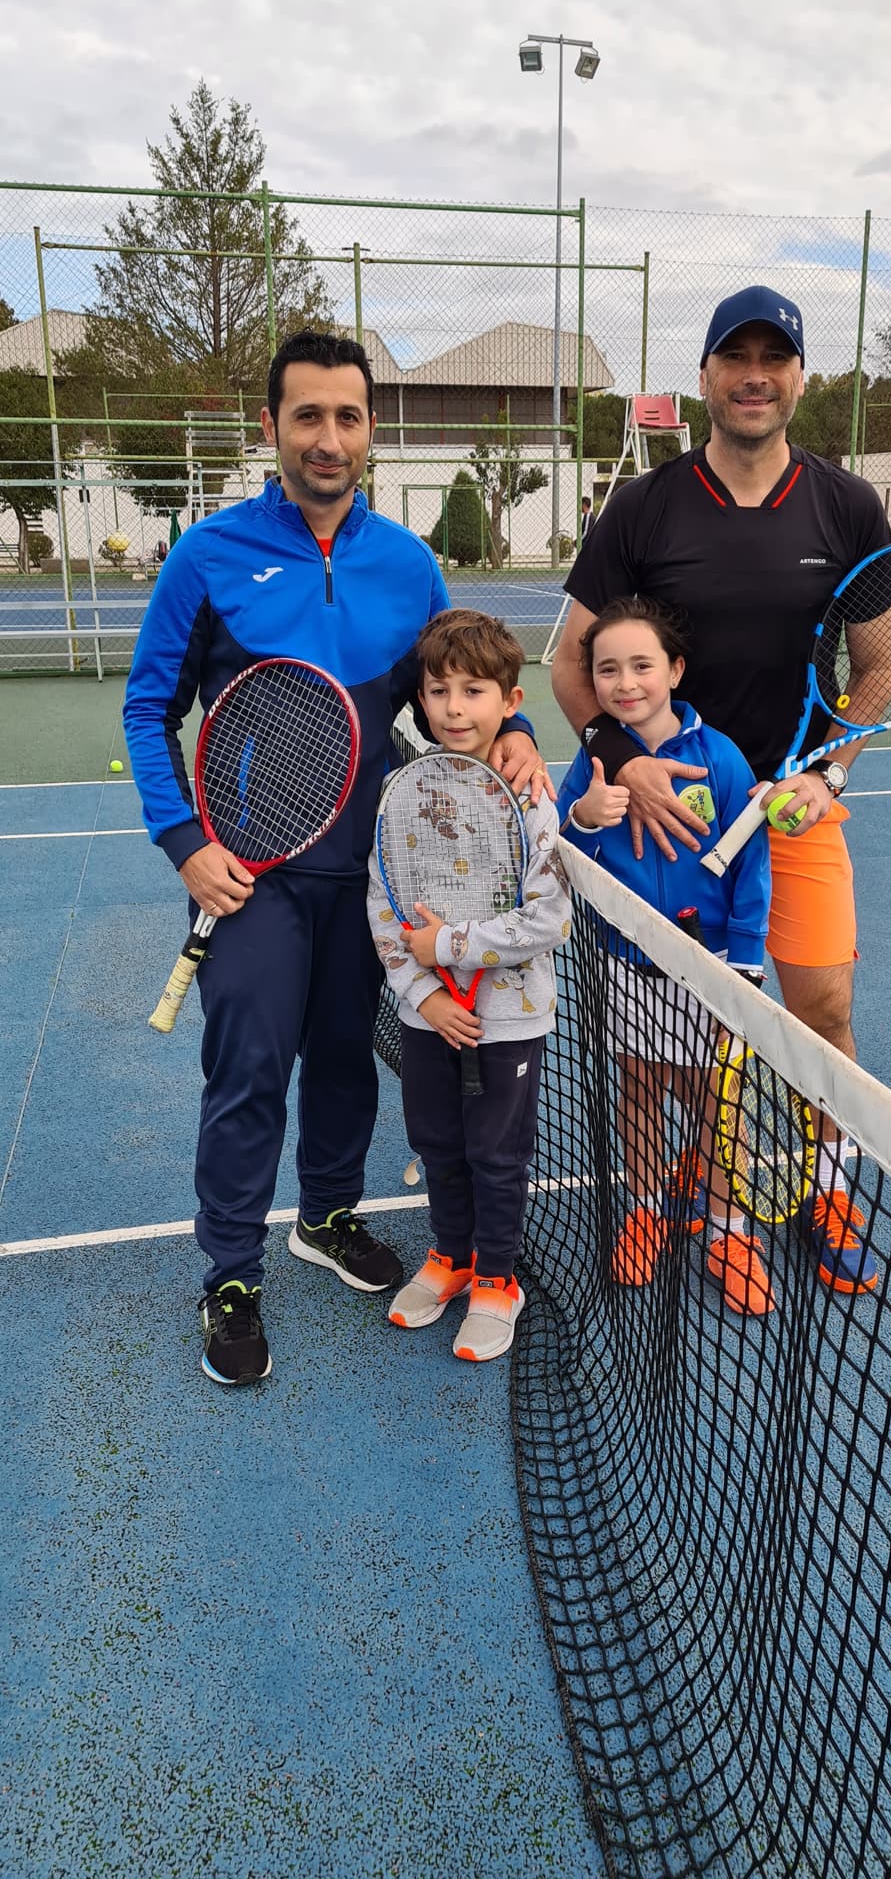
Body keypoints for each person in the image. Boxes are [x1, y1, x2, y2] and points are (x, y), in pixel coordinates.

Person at [123, 331, 547, 1386]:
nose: (328, 437)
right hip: (251, 877)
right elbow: (148, 708)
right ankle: (232, 1274)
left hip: (376, 878)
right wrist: (185, 843)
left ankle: (326, 1214)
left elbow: (460, 687)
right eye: (307, 415)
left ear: (370, 430)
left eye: (347, 417)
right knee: (249, 1072)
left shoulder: (407, 564)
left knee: (350, 1060)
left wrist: (519, 733)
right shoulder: (207, 555)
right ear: (271, 425)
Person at [551, 285, 891, 1299]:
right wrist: (622, 758)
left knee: (821, 1009)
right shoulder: (644, 507)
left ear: (799, 378)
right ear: (704, 376)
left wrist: (829, 772)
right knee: (653, 1047)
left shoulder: (848, 506)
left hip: (792, 810)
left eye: (772, 359)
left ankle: (829, 1186)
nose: (754, 377)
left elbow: (875, 669)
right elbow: (571, 664)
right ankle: (668, 1198)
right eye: (734, 359)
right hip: (668, 818)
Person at [556, 596, 772, 1313]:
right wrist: (583, 819)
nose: (625, 683)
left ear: (675, 670)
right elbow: (558, 852)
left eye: (641, 665)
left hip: (711, 969)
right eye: (607, 669)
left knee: (717, 1103)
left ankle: (729, 1230)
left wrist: (745, 962)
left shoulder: (721, 758)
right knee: (641, 1091)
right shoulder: (594, 762)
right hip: (625, 966)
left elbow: (752, 866)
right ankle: (645, 1210)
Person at [368, 610, 571, 1362]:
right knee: (438, 1144)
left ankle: (496, 1279)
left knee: (496, 1154)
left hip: (507, 1020)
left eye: (474, 691)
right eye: (438, 691)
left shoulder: (531, 799)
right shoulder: (401, 792)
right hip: (429, 1019)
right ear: (420, 699)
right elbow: (382, 905)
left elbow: (549, 917)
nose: (454, 708)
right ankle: (452, 1256)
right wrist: (423, 993)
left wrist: (450, 946)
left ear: (510, 702)